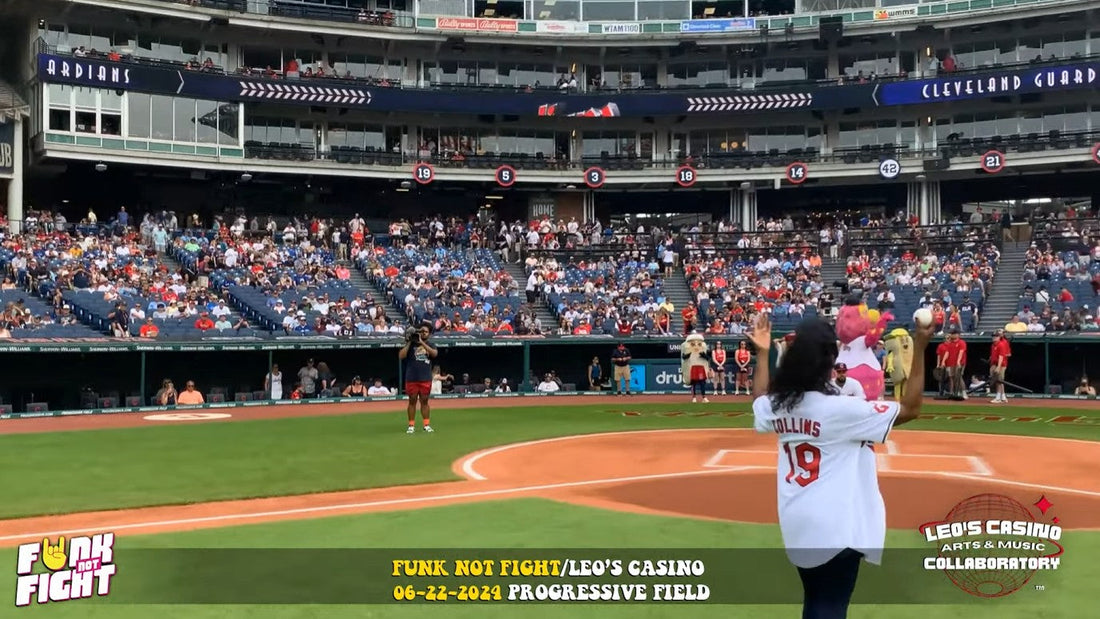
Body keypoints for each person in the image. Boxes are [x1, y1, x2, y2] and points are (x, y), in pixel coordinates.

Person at [750, 312, 932, 619]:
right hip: (835, 523)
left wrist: (764, 353)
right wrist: (921, 346)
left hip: (797, 518)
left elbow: (759, 399)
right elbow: (911, 407)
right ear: (829, 360)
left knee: (816, 601)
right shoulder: (840, 409)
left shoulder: (780, 404)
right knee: (831, 607)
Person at [399, 323, 436, 433]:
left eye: (425, 332)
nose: (423, 333)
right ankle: (411, 425)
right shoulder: (411, 345)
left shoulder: (430, 344)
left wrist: (422, 343)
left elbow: (434, 354)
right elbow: (401, 355)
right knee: (412, 401)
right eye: (421, 331)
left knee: (424, 401)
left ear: (429, 334)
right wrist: (410, 341)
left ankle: (426, 424)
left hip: (425, 377)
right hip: (412, 377)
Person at [988, 329, 1011, 403]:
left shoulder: (1002, 343)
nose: (994, 337)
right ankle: (1002, 396)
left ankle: (999, 397)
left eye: (996, 336)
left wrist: (998, 366)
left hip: (1001, 364)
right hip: (994, 364)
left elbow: (1002, 356)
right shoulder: (993, 345)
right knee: (998, 380)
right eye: (993, 336)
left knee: (999, 381)